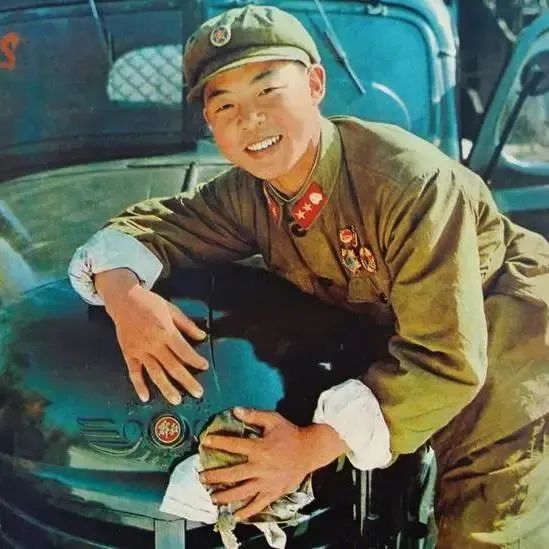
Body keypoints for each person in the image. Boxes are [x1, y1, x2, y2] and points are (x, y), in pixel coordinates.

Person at [68, 5, 549, 547]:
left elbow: (448, 358)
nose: (250, 118)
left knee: (486, 528)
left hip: (502, 344)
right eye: (225, 105)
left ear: (316, 84)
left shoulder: (408, 184)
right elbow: (157, 225)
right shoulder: (251, 193)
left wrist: (307, 448)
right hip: (394, 348)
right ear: (209, 123)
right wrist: (126, 297)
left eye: (268, 91)